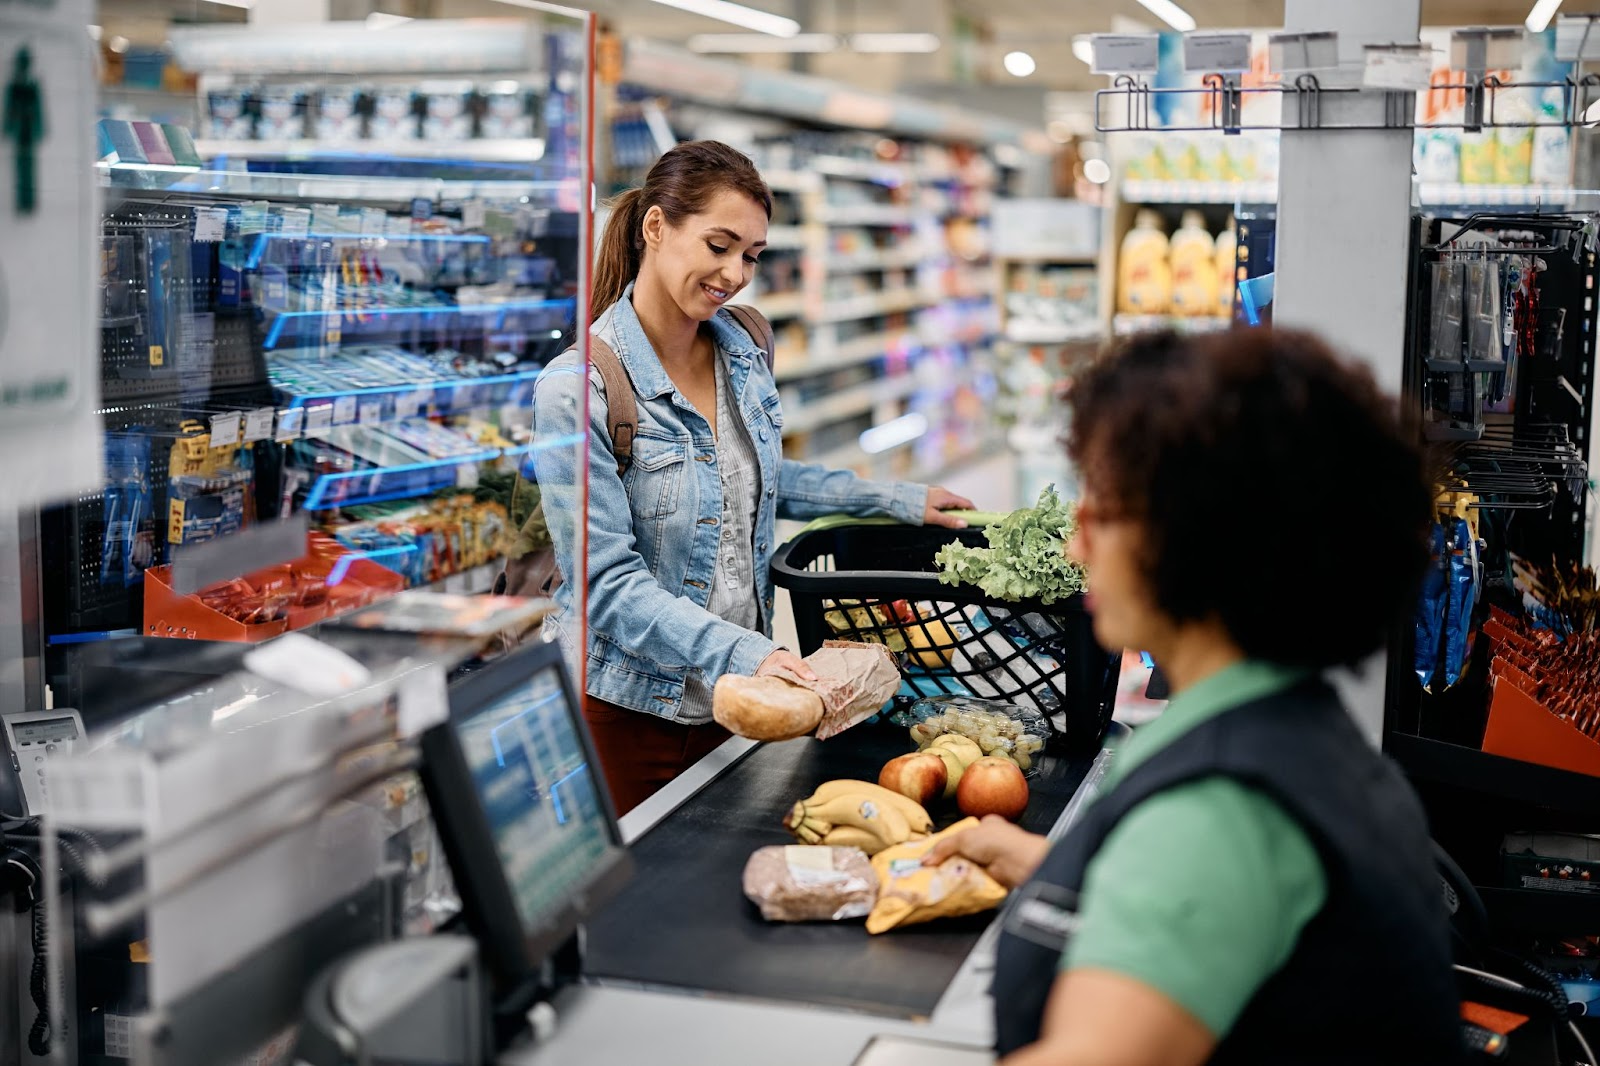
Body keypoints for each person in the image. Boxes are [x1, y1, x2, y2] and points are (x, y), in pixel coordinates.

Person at [926, 328, 1462, 1064]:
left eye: (1103, 513)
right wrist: (1037, 862)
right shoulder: (1297, 735)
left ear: (1199, 539)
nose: (1076, 547)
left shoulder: (1219, 809)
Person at [534, 141, 971, 815]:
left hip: (736, 699)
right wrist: (749, 652)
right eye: (718, 245)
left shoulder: (741, 347)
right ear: (655, 227)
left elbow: (759, 477)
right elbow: (606, 586)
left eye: (752, 255)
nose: (735, 273)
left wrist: (901, 499)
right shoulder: (581, 387)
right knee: (626, 910)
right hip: (623, 712)